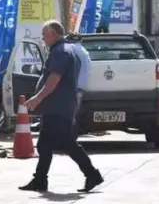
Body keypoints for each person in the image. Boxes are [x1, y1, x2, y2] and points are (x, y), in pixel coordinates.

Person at [19, 21, 103, 193]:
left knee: (66, 143)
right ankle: (40, 180)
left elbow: (53, 80)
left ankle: (92, 174)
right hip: (57, 106)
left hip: (59, 106)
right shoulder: (65, 50)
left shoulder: (61, 52)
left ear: (54, 34)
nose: (42, 38)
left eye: (44, 35)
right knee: (45, 145)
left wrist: (37, 98)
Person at [65, 33, 91, 135]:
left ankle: (69, 138)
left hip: (72, 86)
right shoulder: (84, 51)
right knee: (73, 114)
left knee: (68, 115)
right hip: (80, 86)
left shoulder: (71, 49)